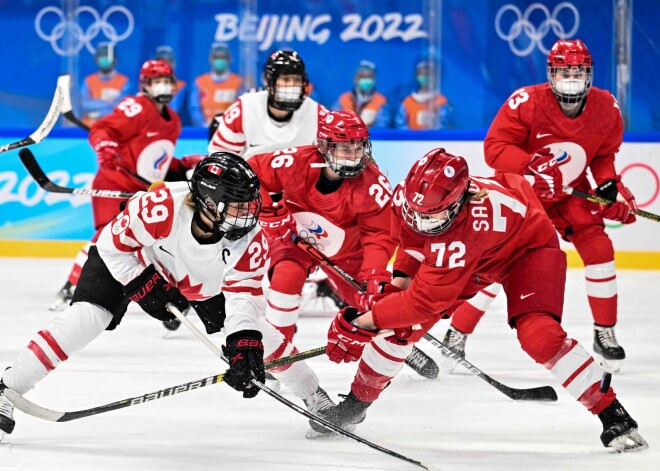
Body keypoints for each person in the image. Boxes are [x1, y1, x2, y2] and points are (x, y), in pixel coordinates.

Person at [312, 148, 647, 452]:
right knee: (398, 328)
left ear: (459, 203)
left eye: (433, 216)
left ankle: (611, 411)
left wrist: (362, 321)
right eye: (417, 212)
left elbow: (422, 303)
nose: (422, 220)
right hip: (476, 254)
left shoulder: (468, 227)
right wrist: (396, 286)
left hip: (527, 251)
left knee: (539, 336)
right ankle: (354, 407)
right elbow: (412, 239)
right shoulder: (415, 201)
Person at [0, 154, 333, 442]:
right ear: (209, 202)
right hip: (132, 264)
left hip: (197, 284)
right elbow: (114, 248)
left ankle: (315, 396)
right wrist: (143, 284)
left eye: (249, 205)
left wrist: (243, 340)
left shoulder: (250, 240)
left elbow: (242, 297)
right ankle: (8, 388)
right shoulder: (160, 207)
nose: (247, 215)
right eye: (237, 207)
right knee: (87, 318)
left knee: (262, 334)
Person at [439, 39, 638, 374]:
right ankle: (457, 332)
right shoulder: (526, 102)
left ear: (589, 74)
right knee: (498, 264)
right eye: (564, 71)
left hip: (569, 194)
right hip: (522, 197)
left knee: (600, 248)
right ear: (550, 73)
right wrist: (531, 163)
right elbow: (495, 148)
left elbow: (603, 154)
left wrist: (608, 186)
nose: (571, 78)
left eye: (578, 71)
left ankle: (605, 331)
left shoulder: (607, 107)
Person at [51, 60, 201, 313]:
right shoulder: (136, 107)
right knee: (106, 237)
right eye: (156, 81)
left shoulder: (173, 119)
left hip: (140, 191)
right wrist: (105, 146)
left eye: (166, 80)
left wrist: (178, 164)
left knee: (147, 241)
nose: (162, 85)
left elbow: (153, 157)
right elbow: (102, 129)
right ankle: (71, 286)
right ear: (145, 84)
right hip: (114, 181)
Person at [248, 110, 396, 346]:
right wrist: (268, 212)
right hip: (294, 240)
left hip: (346, 254)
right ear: (325, 146)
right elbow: (252, 171)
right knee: (286, 275)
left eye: (359, 147)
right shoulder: (296, 162)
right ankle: (276, 348)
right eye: (346, 148)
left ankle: (379, 365)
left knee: (369, 303)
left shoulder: (373, 185)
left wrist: (374, 272)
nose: (355, 155)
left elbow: (379, 236)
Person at [208, 49, 326, 159]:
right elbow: (220, 159)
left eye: (296, 80)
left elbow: (330, 165)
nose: (292, 86)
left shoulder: (318, 115)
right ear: (270, 82)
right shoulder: (243, 109)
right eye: (285, 80)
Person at [189, 43, 243, 128]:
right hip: (204, 130)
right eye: (216, 57)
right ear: (210, 59)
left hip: (230, 130)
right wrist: (204, 125)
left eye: (223, 57)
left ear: (229, 59)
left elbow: (241, 108)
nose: (219, 60)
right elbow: (194, 108)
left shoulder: (238, 82)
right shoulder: (199, 82)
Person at [80, 42, 131, 127]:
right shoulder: (88, 81)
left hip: (115, 127)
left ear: (115, 59)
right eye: (101, 56)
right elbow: (84, 104)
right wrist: (108, 104)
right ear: (96, 59)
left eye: (107, 56)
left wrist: (97, 107)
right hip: (89, 128)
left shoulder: (124, 82)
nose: (104, 59)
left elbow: (120, 106)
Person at [394, 59, 451, 130]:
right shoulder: (407, 102)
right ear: (416, 76)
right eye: (422, 73)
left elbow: (443, 126)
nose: (425, 76)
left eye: (428, 74)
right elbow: (401, 126)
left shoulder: (441, 102)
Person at [332, 61, 390, 128]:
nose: (365, 80)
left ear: (374, 80)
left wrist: (369, 125)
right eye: (362, 76)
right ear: (355, 78)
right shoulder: (343, 99)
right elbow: (333, 123)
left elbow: (382, 127)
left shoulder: (381, 101)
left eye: (369, 77)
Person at [154, 45, 187, 116]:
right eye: (160, 62)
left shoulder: (181, 85)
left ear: (173, 64)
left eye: (168, 62)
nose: (164, 66)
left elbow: (174, 109)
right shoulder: (148, 85)